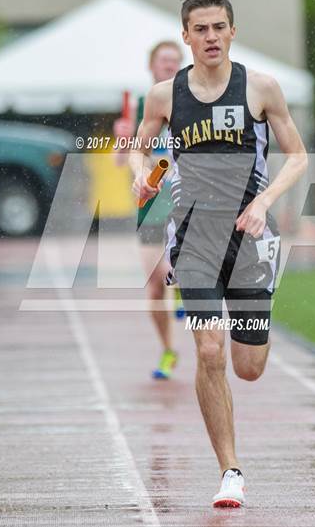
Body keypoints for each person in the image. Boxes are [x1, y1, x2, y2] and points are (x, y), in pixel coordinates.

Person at [129, 0, 308, 507]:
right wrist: (144, 177)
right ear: (185, 36)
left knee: (248, 368)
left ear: (232, 31)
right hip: (194, 243)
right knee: (209, 350)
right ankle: (230, 471)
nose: (210, 37)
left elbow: (297, 158)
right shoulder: (164, 95)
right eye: (199, 29)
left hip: (251, 240)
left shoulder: (262, 88)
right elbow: (141, 150)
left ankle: (259, 316)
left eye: (218, 27)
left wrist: (263, 202)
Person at [113, 40, 183, 379]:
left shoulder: (193, 100)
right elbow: (119, 162)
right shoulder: (141, 106)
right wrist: (122, 139)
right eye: (163, 61)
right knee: (155, 286)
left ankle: (184, 289)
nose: (169, 65)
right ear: (152, 66)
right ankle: (168, 351)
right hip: (151, 206)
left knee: (176, 267)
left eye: (175, 60)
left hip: (187, 202)